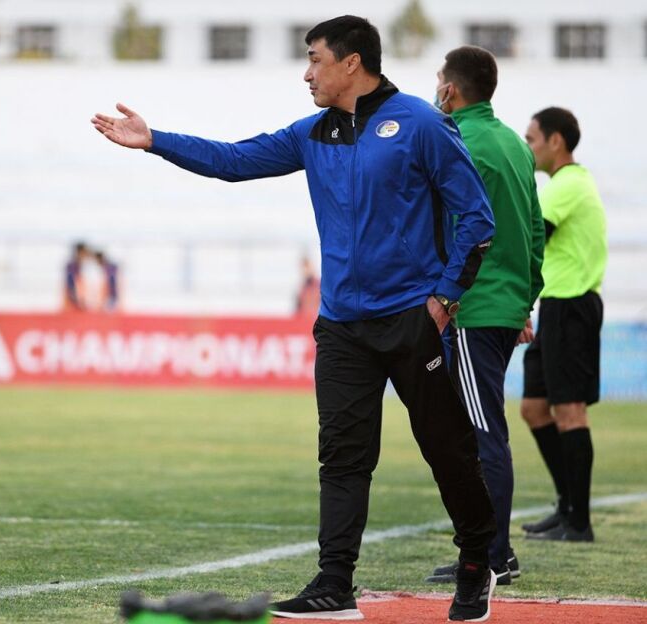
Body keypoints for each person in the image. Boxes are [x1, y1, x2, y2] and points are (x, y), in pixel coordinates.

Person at [92, 15, 498, 622]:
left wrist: (444, 299)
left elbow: (478, 219)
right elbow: (233, 159)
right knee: (342, 457)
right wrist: (155, 140)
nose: (307, 73)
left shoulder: (420, 123)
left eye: (314, 59)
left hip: (412, 320)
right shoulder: (312, 133)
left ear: (352, 62)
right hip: (341, 326)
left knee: (447, 450)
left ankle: (476, 561)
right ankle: (334, 584)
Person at [423, 46, 545, 588]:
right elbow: (535, 229)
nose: (435, 89)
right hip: (506, 302)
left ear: (450, 90)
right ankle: (493, 552)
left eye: (438, 81)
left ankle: (492, 556)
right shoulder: (516, 144)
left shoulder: (457, 140)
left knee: (480, 434)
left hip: (472, 306)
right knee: (479, 429)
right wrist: (525, 298)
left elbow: (451, 229)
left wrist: (447, 299)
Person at [519, 107, 606, 542]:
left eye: (531, 139)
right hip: (555, 306)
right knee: (534, 408)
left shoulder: (568, 183)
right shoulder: (564, 184)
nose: (528, 146)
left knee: (570, 412)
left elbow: (532, 236)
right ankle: (567, 505)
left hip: (572, 306)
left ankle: (579, 522)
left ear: (556, 141)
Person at [63, 241, 90, 311]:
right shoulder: (74, 261)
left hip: (75, 281)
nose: (85, 254)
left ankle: (77, 305)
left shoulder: (77, 260)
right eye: (84, 251)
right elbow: (71, 276)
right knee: (74, 295)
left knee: (75, 296)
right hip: (74, 281)